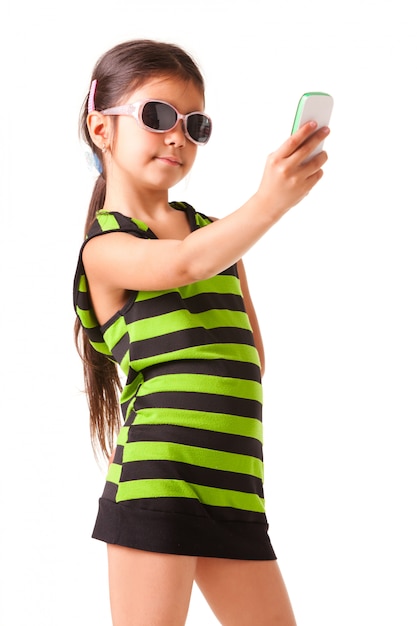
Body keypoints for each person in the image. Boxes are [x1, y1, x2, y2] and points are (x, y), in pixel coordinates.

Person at [73, 38, 330, 626]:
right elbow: (183, 264)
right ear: (101, 127)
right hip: (158, 480)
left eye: (195, 124)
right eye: (158, 116)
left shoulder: (216, 236)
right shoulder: (106, 248)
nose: (177, 136)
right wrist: (270, 203)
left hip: (235, 484)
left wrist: (248, 222)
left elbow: (251, 358)